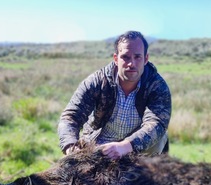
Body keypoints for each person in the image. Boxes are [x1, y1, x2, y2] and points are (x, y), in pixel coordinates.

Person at [58, 30, 171, 159]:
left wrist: (125, 146)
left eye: (137, 57)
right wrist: (71, 148)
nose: (131, 64)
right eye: (125, 57)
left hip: (135, 146)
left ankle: (146, 174)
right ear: (116, 59)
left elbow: (157, 123)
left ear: (146, 59)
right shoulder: (97, 81)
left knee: (161, 138)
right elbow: (70, 117)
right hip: (99, 144)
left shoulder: (157, 86)